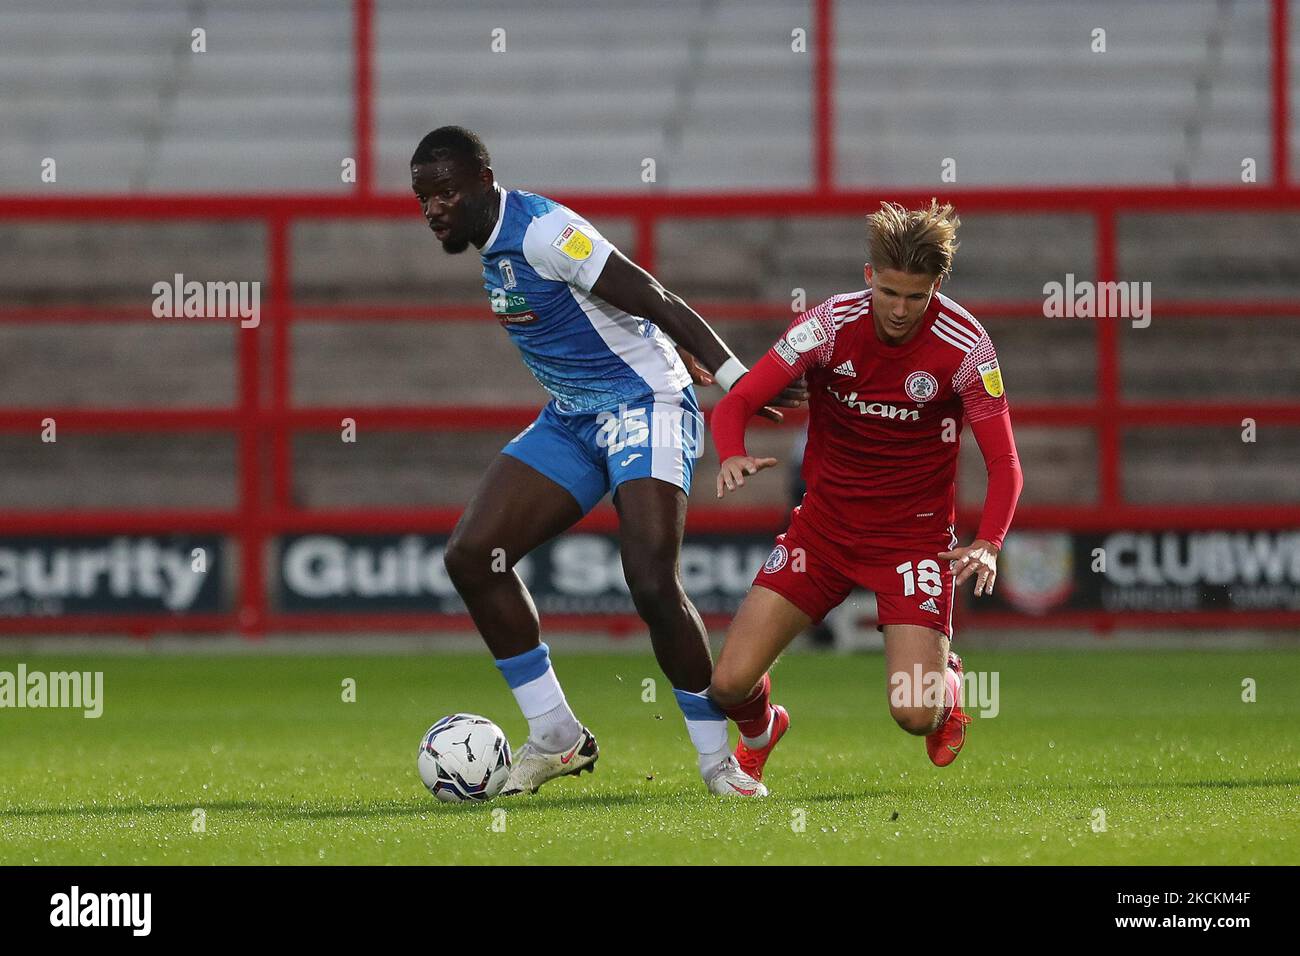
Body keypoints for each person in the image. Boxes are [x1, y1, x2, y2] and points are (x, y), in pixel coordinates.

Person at [411, 126, 807, 797]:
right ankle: (559, 737)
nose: (434, 209)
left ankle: (719, 762)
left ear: (483, 177)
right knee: (472, 556)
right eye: (423, 197)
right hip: (572, 416)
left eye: (446, 191)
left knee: (650, 580)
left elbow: (653, 296)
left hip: (646, 404)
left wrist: (737, 377)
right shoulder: (493, 248)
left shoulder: (543, 231)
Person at [707, 200, 1024, 791]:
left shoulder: (968, 348)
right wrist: (731, 453)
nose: (901, 310)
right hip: (821, 534)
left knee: (912, 714)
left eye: (917, 296)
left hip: (912, 543)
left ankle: (946, 685)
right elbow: (736, 402)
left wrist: (988, 543)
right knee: (727, 685)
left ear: (937, 287)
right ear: (868, 276)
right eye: (890, 292)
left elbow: (1005, 463)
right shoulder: (828, 326)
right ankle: (762, 730)